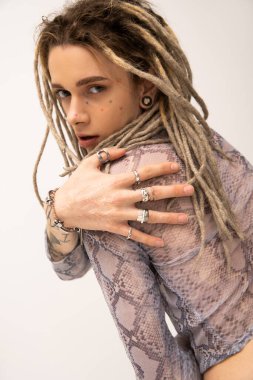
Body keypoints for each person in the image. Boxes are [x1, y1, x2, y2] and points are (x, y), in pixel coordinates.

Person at [32, 0, 253, 379]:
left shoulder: (109, 196)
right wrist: (61, 208)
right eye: (62, 94)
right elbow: (69, 265)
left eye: (95, 89)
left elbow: (159, 369)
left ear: (145, 85)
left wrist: (67, 208)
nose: (73, 114)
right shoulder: (200, 141)